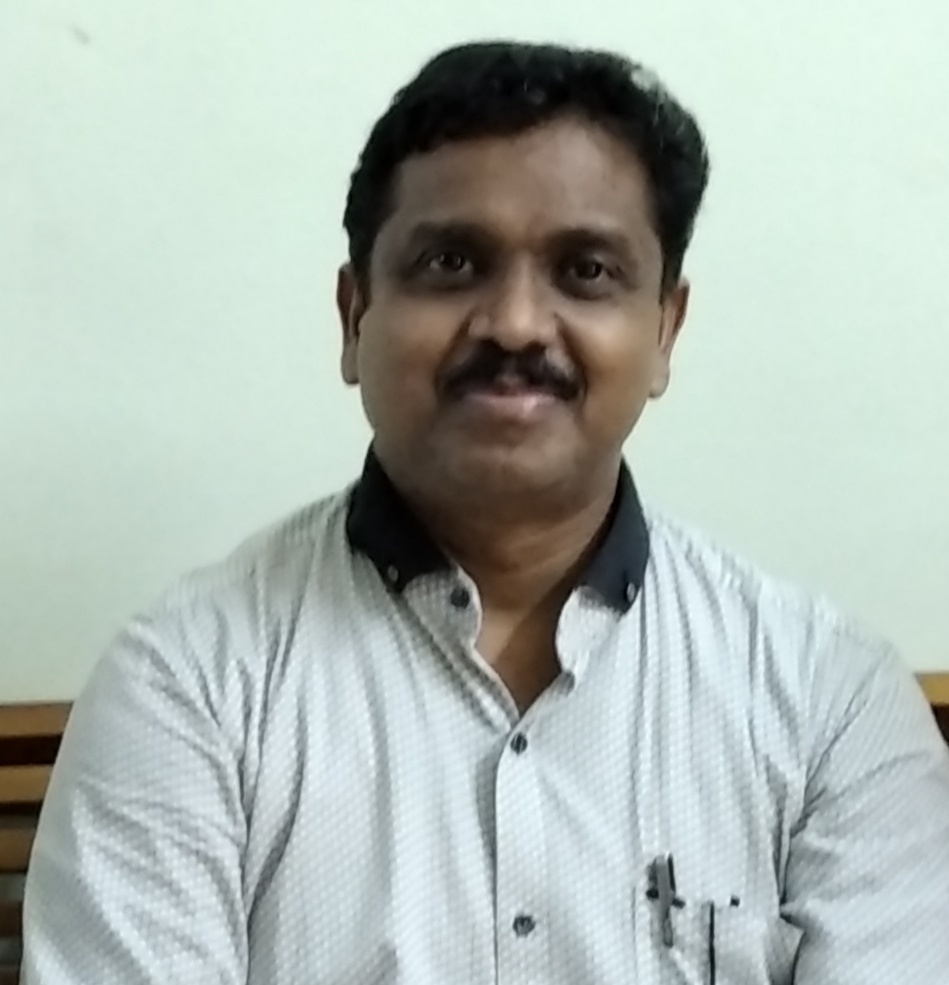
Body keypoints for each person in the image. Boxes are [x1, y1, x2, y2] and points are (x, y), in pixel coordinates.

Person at [21, 40, 949, 985]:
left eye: (584, 271)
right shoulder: (188, 684)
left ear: (664, 330)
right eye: (452, 262)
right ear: (353, 317)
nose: (513, 323)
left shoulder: (827, 701)